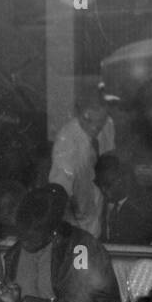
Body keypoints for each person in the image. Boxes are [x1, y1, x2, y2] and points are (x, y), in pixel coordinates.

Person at [0, 184, 131, 302]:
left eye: (31, 236)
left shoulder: (81, 248)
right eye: (21, 233)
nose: (24, 242)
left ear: (53, 232)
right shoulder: (15, 255)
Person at [49, 96, 114, 236]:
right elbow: (60, 191)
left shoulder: (108, 124)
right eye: (89, 120)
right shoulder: (66, 142)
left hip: (99, 213)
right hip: (78, 221)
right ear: (79, 114)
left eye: (100, 121)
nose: (95, 127)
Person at [94, 153, 152, 245]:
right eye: (98, 184)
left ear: (122, 178)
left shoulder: (141, 208)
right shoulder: (111, 205)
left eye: (107, 184)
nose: (103, 190)